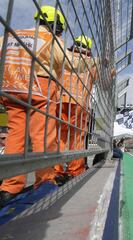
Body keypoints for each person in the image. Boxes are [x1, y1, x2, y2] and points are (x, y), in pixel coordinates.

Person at [0, 5, 91, 207]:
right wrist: (93, 63)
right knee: (44, 137)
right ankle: (45, 181)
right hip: (39, 90)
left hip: (11, 88)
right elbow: (72, 64)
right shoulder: (51, 40)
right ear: (57, 25)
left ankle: (10, 186)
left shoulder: (12, 35)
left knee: (16, 136)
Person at [54, 35, 96, 177]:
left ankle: (56, 171)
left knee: (59, 137)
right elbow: (106, 84)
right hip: (80, 103)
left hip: (59, 100)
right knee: (77, 138)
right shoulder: (91, 62)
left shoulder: (64, 55)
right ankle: (75, 171)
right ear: (89, 49)